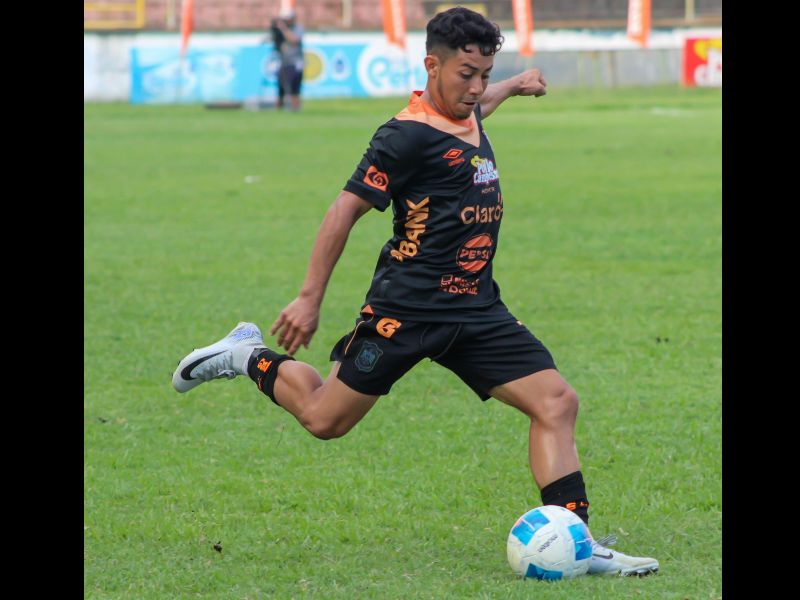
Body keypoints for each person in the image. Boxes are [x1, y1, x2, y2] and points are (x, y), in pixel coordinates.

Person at [173, 7, 658, 577]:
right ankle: (244, 354)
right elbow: (343, 211)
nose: (476, 87)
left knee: (557, 402)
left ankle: (577, 541)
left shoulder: (470, 107)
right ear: (432, 66)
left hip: (477, 309)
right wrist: (308, 298)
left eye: (485, 74)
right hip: (405, 311)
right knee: (325, 420)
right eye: (465, 75)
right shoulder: (403, 137)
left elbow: (478, 108)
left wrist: (513, 85)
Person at [268, 8, 304, 111]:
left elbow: (294, 40)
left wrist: (283, 29)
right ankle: (279, 110)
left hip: (295, 63)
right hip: (283, 62)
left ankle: (295, 109)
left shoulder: (297, 28)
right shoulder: (281, 30)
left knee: (294, 89)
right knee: (281, 88)